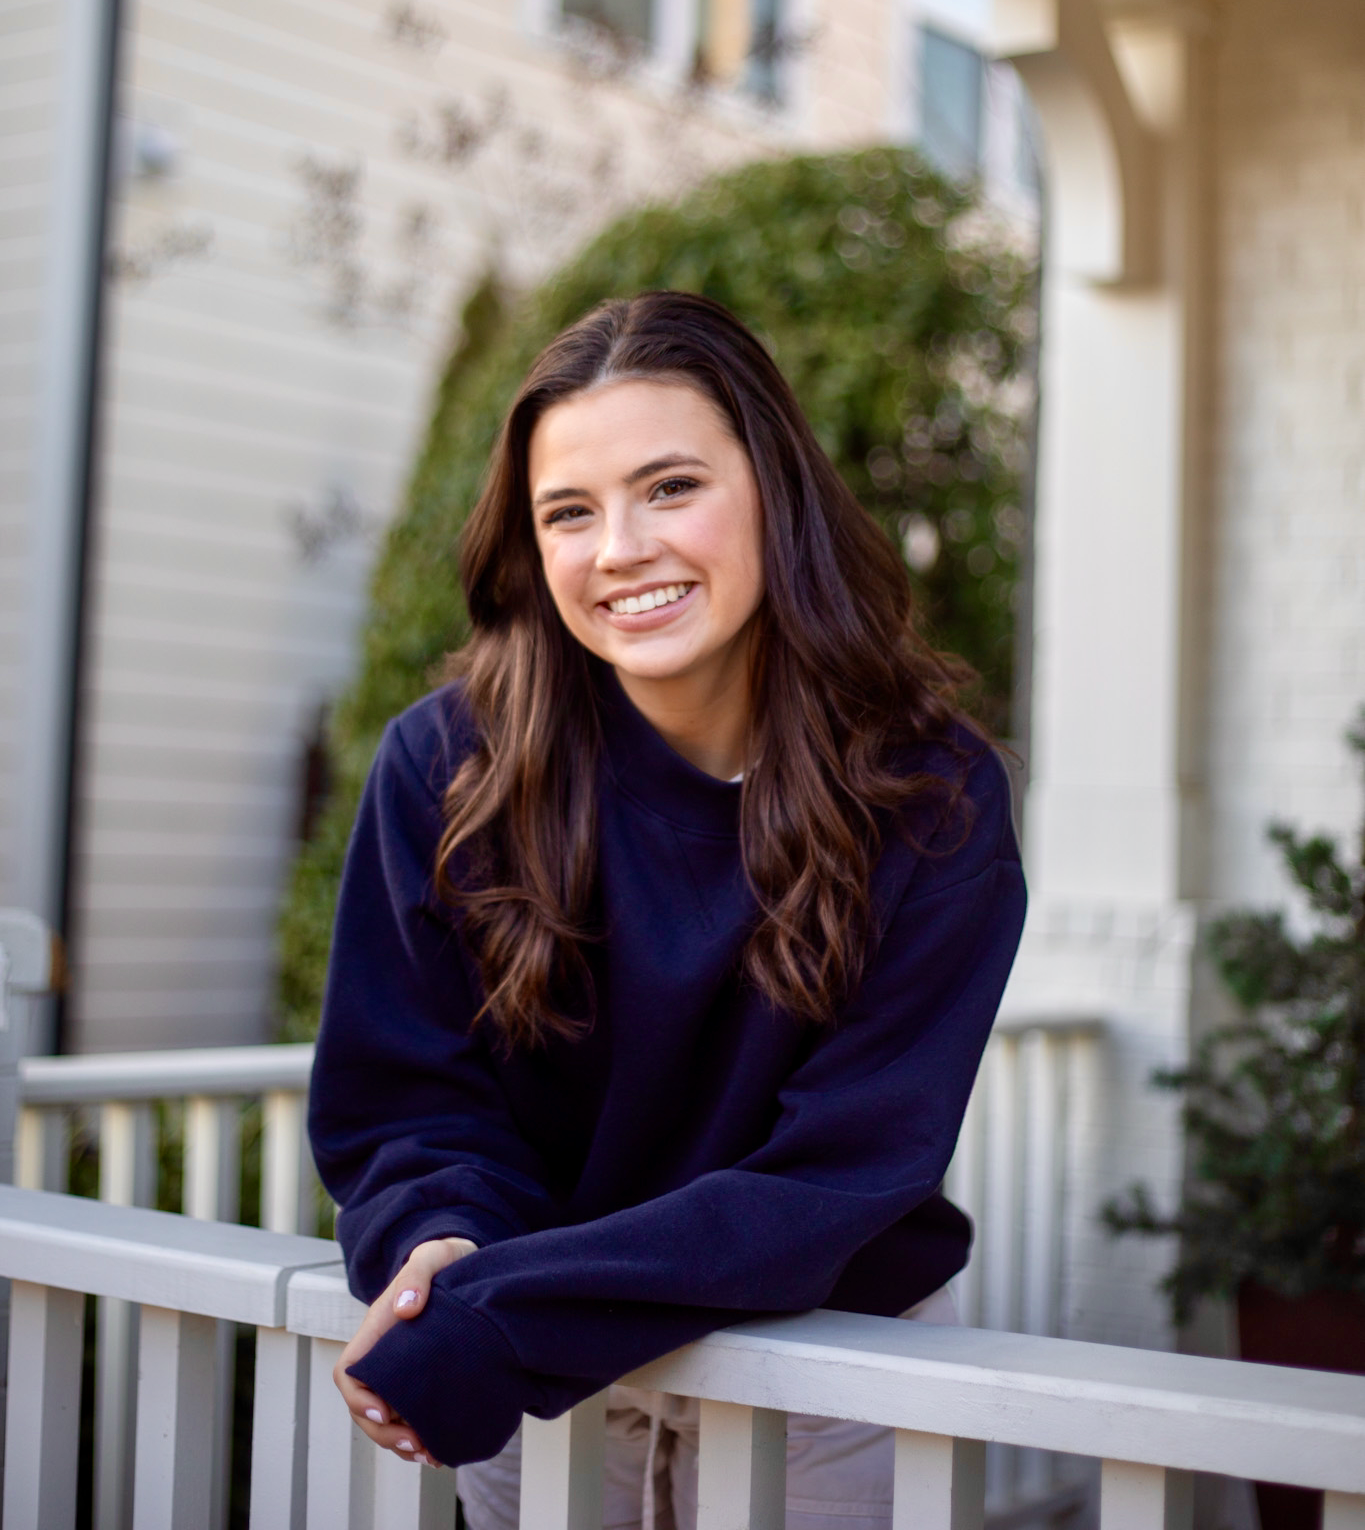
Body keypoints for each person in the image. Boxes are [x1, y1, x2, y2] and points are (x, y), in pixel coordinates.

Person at [308, 290, 1026, 1529]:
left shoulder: (932, 796)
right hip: (535, 1371)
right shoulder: (447, 768)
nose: (621, 547)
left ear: (774, 492)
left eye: (671, 486)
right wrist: (438, 1239)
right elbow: (410, 1095)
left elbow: (835, 1174)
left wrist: (509, 1312)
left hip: (826, 1368)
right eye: (569, 512)